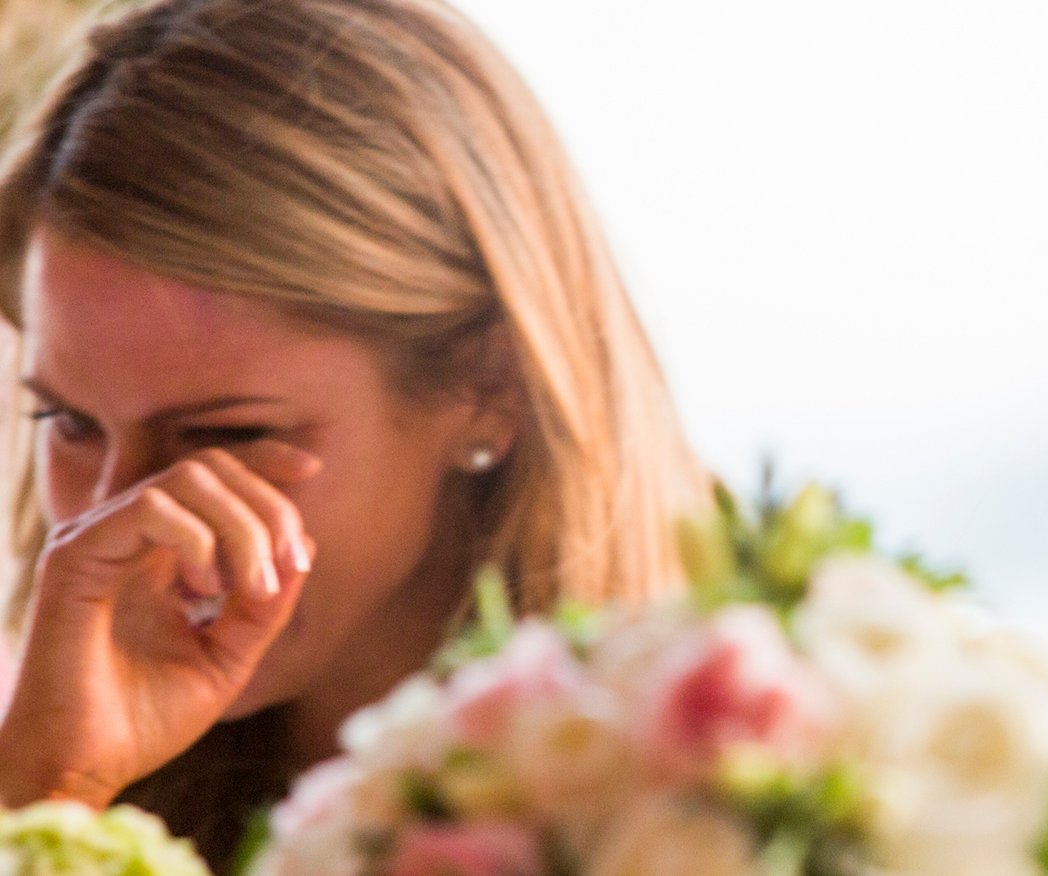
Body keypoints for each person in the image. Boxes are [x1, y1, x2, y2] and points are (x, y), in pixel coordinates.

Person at [0, 0, 707, 867]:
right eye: (67, 421)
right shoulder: (30, 761)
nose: (118, 520)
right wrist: (47, 801)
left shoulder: (741, 795)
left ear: (490, 384)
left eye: (225, 433)